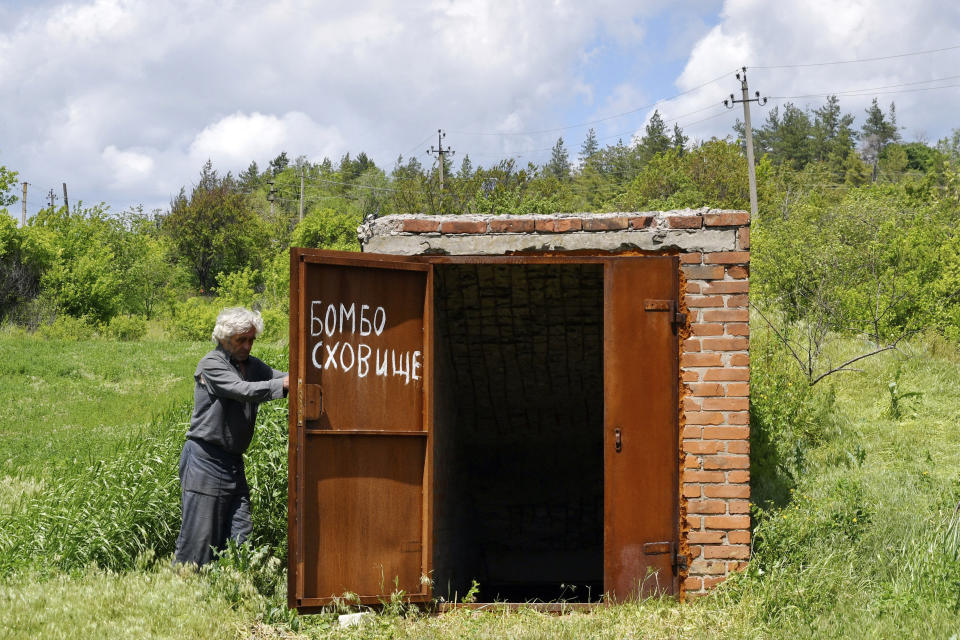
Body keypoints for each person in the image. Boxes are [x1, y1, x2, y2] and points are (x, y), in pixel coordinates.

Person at [174, 307, 289, 566]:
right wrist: (283, 385)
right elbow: (242, 390)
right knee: (198, 543)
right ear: (224, 339)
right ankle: (184, 594)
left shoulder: (250, 365)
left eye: (251, 340)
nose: (248, 345)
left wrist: (313, 376)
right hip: (205, 461)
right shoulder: (212, 364)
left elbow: (283, 378)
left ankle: (231, 593)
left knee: (240, 537)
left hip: (233, 464)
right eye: (242, 340)